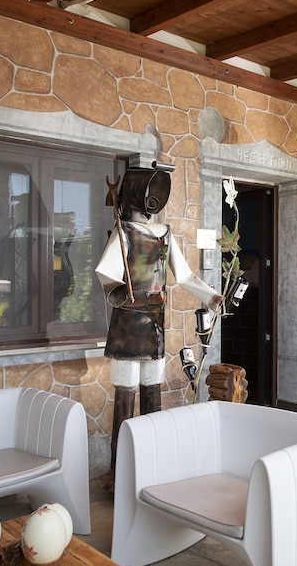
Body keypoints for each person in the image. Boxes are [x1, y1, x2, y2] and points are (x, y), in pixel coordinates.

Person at [95, 166, 222, 477]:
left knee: (152, 392)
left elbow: (185, 275)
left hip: (153, 325)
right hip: (128, 325)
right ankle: (121, 470)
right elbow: (106, 272)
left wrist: (212, 298)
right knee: (126, 394)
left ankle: (152, 465)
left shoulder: (163, 234)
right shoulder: (123, 232)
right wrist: (117, 291)